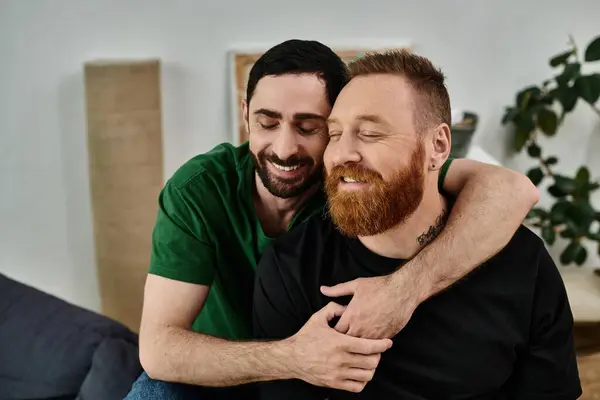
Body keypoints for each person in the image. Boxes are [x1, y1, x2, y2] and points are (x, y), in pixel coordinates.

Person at [126, 40, 540, 399]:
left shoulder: (360, 181)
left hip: (318, 380)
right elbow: (159, 349)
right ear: (245, 112)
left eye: (310, 127)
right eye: (267, 123)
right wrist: (292, 357)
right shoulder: (200, 189)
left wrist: (404, 291)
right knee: (154, 391)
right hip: (219, 375)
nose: (285, 148)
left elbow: (512, 191)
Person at [253, 49, 582, 399]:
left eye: (370, 133)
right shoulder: (291, 269)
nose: (342, 154)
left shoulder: (523, 263)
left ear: (438, 146)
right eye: (334, 134)